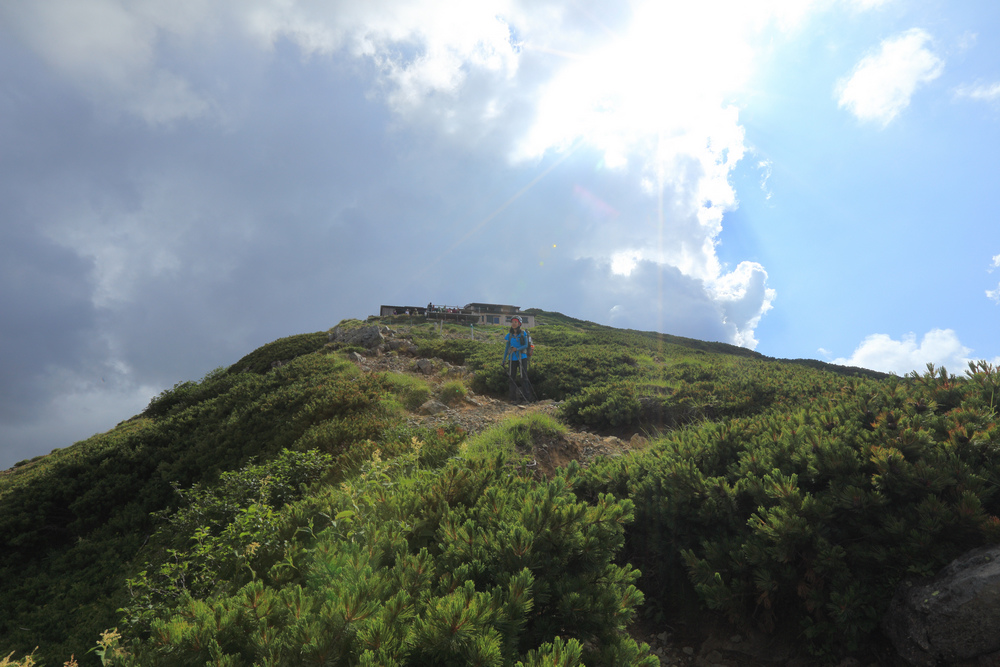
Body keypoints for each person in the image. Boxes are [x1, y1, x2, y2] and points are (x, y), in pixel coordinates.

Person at [503, 316, 534, 403]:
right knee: (512, 378)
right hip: (511, 358)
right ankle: (512, 398)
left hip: (522, 357)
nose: (513, 323)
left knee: (524, 377)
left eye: (515, 322)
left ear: (519, 324)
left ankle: (526, 398)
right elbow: (506, 348)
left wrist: (517, 349)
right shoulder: (509, 335)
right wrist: (504, 359)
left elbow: (526, 345)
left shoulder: (523, 334)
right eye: (512, 322)